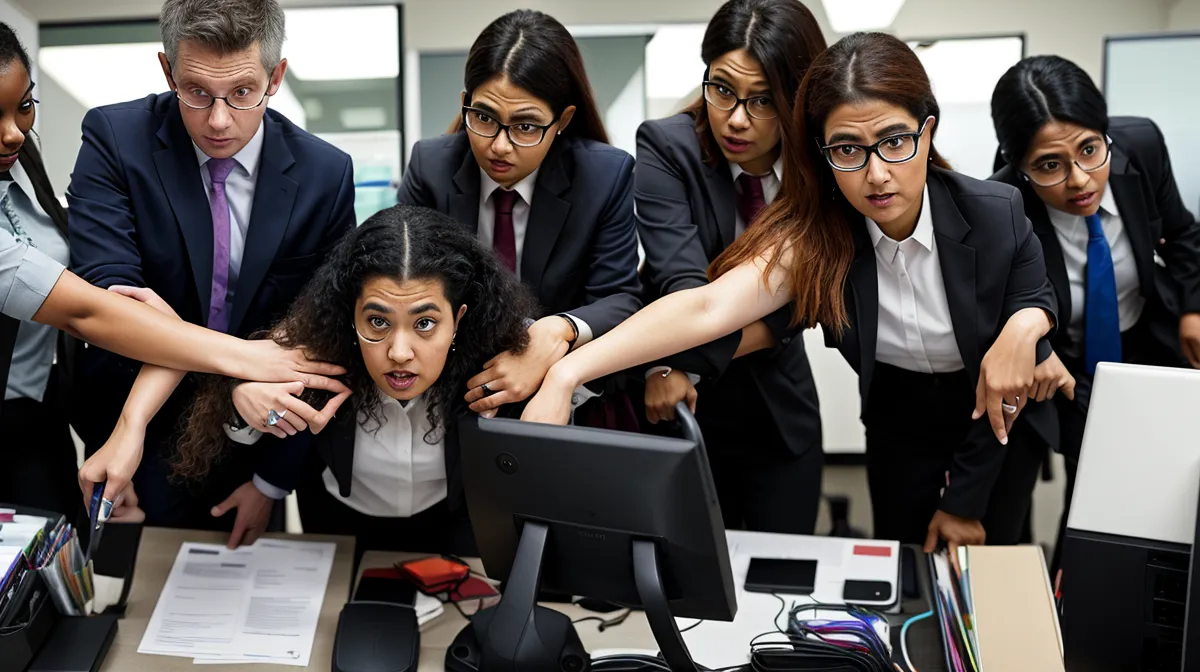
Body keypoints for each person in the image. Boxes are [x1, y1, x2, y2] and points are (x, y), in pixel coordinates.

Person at [524, 32, 1073, 555]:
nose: (877, 174)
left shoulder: (994, 211)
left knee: (991, 577)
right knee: (908, 575)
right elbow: (707, 306)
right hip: (897, 424)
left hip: (1000, 425)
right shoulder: (819, 238)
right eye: (848, 149)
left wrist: (1026, 328)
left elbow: (1036, 298)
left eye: (895, 142)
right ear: (821, 153)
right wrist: (567, 374)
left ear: (927, 132)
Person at [68, 0, 355, 546]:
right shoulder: (115, 139)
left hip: (258, 435)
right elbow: (111, 305)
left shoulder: (325, 173)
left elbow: (324, 334)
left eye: (243, 92)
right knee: (125, 584)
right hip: (129, 428)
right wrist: (239, 367)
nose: (219, 120)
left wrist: (271, 483)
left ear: (276, 77)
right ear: (167, 71)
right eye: (196, 92)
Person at [160, 206, 532, 557]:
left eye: (424, 323)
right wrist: (245, 401)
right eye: (378, 322)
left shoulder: (498, 358)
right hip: (337, 522)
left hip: (455, 521)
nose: (399, 352)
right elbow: (261, 429)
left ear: (459, 318)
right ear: (350, 314)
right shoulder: (321, 351)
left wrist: (558, 345)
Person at [990, 55, 1200, 572]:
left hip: (1140, 345)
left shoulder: (1141, 146)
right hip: (1060, 364)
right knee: (1072, 490)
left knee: (1130, 491)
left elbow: (1183, 233)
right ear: (1020, 166)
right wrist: (1038, 347)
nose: (1081, 180)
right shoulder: (1001, 203)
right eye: (1050, 165)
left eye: (1089, 149)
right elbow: (999, 302)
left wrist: (1193, 309)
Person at [633, 0, 826, 534]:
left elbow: (806, 303)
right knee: (689, 573)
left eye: (762, 100)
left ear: (796, 97)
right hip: (679, 412)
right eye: (721, 89)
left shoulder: (820, 164)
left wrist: (675, 362)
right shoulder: (668, 146)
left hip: (778, 415)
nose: (736, 118)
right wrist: (662, 372)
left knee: (782, 571)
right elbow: (681, 282)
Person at [396, 10, 641, 425]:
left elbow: (619, 299)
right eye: (484, 118)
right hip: (450, 394)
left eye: (525, 126)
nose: (500, 146)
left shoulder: (604, 176)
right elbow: (404, 285)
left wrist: (558, 331)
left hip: (573, 401)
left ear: (563, 120)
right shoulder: (430, 167)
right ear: (465, 103)